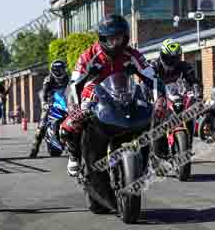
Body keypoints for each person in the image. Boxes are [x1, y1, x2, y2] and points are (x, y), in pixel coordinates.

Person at [60, 15, 156, 176]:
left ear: (125, 37)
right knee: (69, 127)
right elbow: (74, 83)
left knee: (152, 116)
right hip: (93, 96)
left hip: (123, 94)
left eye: (118, 38)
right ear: (102, 39)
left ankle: (149, 158)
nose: (115, 43)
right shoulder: (88, 55)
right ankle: (74, 155)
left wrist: (159, 100)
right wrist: (76, 108)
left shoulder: (133, 54)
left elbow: (152, 77)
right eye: (111, 39)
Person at [150, 39, 201, 157]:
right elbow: (146, 80)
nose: (171, 61)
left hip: (177, 94)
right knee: (156, 115)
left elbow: (193, 80)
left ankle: (188, 144)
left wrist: (197, 89)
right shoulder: (154, 65)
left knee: (190, 113)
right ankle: (157, 148)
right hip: (159, 94)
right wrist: (145, 92)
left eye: (175, 58)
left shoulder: (184, 66)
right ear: (161, 55)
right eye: (168, 58)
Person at [29, 60, 70, 158]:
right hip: (51, 103)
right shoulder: (48, 79)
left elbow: (73, 89)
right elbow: (44, 92)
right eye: (56, 70)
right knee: (42, 125)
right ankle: (34, 149)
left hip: (65, 103)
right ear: (52, 70)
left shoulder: (68, 78)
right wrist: (44, 102)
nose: (59, 72)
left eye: (61, 69)